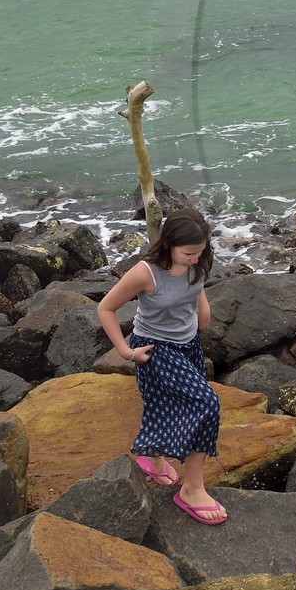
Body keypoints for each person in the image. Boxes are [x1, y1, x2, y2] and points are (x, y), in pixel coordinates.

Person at [97, 207, 225, 525]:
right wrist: (127, 352)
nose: (196, 258)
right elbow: (106, 308)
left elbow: (197, 288)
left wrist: (203, 316)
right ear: (168, 243)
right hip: (156, 348)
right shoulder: (146, 272)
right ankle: (192, 489)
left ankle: (152, 458)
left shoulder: (198, 261)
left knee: (163, 405)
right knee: (207, 404)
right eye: (189, 253)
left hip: (189, 344)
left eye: (200, 252)